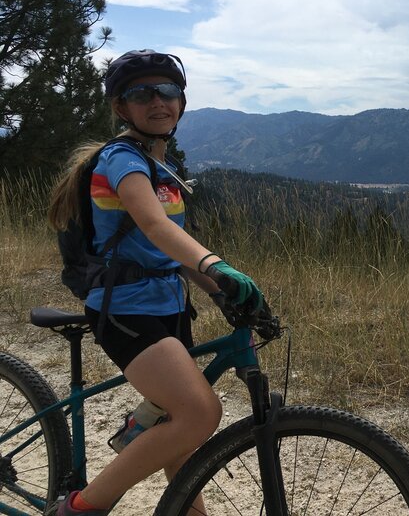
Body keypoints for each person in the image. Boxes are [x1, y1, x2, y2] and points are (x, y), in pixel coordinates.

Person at [46, 49, 266, 515]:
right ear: (122, 107)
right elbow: (155, 227)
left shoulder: (161, 167)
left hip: (167, 306)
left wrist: (219, 291)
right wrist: (218, 267)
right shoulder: (122, 159)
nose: (158, 101)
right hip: (125, 308)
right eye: (142, 93)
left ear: (181, 102)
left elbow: (169, 249)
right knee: (200, 413)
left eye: (167, 91)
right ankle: (79, 509)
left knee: (176, 428)